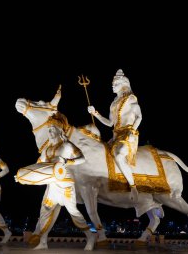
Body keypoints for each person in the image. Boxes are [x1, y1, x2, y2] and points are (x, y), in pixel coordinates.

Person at [30, 114, 96, 251]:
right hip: (52, 186)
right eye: (49, 129)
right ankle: (43, 241)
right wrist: (26, 175)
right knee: (44, 212)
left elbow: (82, 159)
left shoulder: (67, 145)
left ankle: (90, 236)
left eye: (52, 129)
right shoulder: (47, 150)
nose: (50, 132)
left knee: (73, 212)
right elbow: (38, 164)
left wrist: (67, 161)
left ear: (60, 130)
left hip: (65, 185)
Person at [88, 69, 141, 201]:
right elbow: (110, 123)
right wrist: (96, 114)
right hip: (116, 136)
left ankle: (133, 186)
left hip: (128, 134)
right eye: (112, 83)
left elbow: (139, 117)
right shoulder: (113, 103)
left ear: (123, 84)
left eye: (115, 83)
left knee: (119, 154)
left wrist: (132, 131)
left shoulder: (131, 98)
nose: (112, 85)